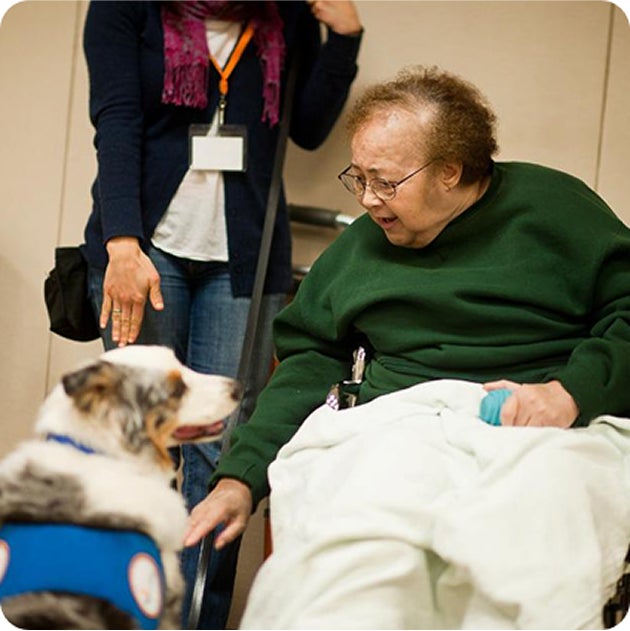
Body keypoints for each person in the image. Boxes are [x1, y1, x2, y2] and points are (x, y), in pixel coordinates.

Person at [184, 66, 630, 628]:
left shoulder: (555, 210)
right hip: (399, 427)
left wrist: (571, 393)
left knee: (529, 535)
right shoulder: (361, 248)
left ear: (450, 171)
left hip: (545, 425)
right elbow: (308, 361)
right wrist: (238, 479)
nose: (369, 199)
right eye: (359, 178)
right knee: (354, 552)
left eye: (387, 181)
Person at [81, 1, 362, 627]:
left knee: (221, 450)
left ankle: (195, 618)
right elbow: (118, 119)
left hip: (242, 260)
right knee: (141, 444)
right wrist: (120, 243)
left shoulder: (284, 15)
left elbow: (309, 127)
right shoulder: (126, 9)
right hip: (146, 250)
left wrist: (343, 36)